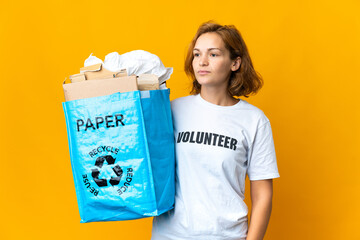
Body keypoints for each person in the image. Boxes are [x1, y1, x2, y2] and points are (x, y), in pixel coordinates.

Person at [151, 21, 280, 240]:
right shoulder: (172, 110)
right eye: (197, 54)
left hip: (226, 235)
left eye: (213, 54)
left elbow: (263, 194)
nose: (202, 62)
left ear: (235, 63)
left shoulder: (254, 120)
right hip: (170, 235)